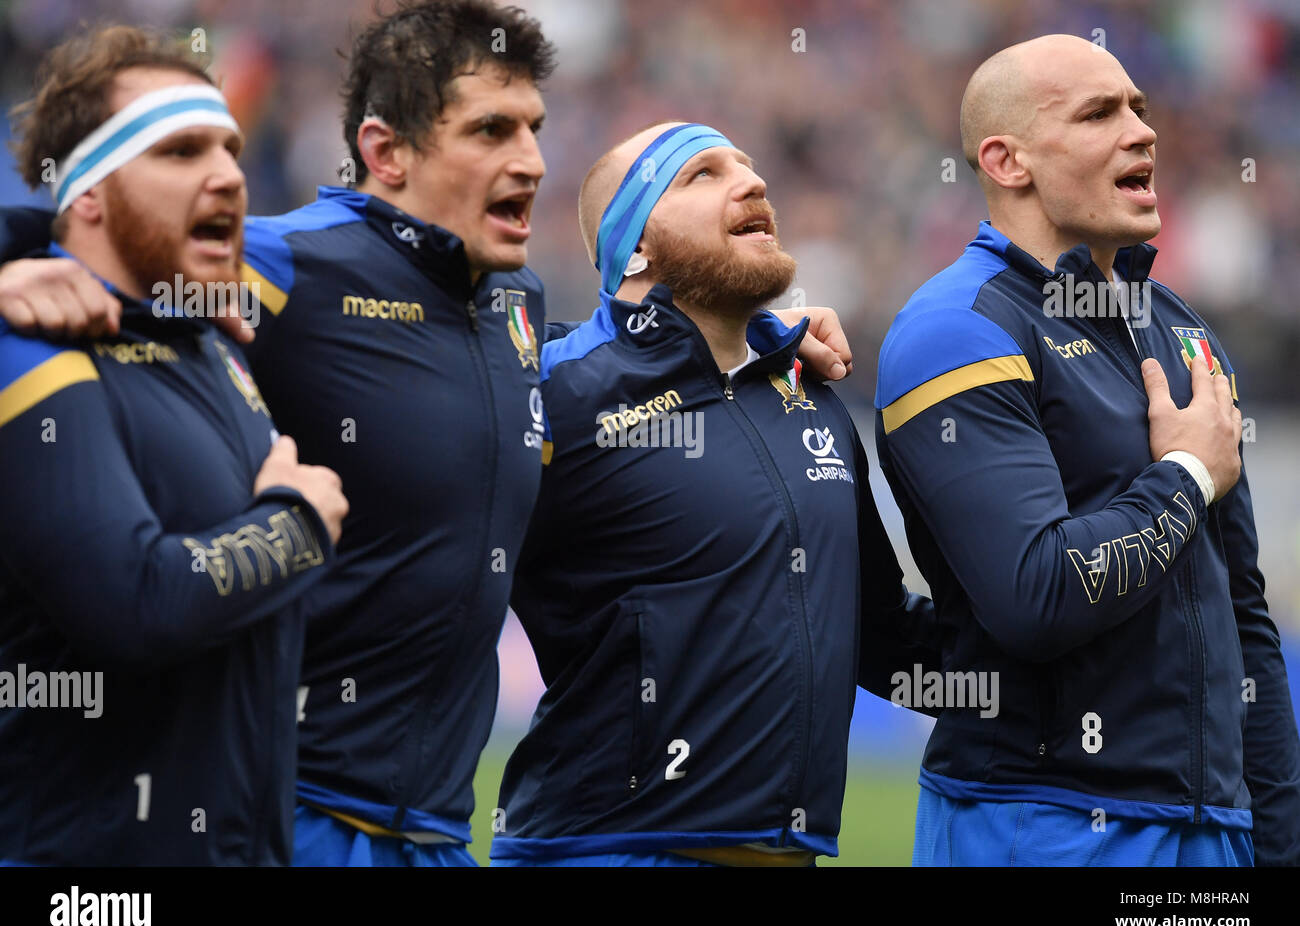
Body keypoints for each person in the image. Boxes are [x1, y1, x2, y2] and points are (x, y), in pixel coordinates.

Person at [0, 1, 853, 867]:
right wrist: (20, 254)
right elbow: (140, 244)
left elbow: (619, 370)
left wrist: (757, 347)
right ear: (385, 152)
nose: (530, 158)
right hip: (290, 808)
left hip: (438, 833)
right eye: (491, 130)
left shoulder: (513, 309)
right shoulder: (298, 265)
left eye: (533, 128)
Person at [874, 34, 1300, 866]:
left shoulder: (1178, 327)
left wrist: (1278, 844)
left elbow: (1244, 620)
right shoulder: (957, 329)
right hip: (1042, 823)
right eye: (1100, 113)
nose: (1142, 131)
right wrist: (1182, 477)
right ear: (1007, 161)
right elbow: (1036, 595)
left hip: (1215, 832)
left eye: (1139, 108)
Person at [490, 122, 936, 867]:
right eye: (702, 173)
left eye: (750, 166)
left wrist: (1073, 669)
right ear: (634, 248)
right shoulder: (559, 389)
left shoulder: (811, 394)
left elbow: (883, 638)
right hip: (602, 851)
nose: (753, 182)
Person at [0, 26, 346, 865]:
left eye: (230, 147)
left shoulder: (216, 347)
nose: (229, 173)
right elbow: (135, 604)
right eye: (182, 151)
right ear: (84, 195)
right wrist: (297, 524)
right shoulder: (26, 350)